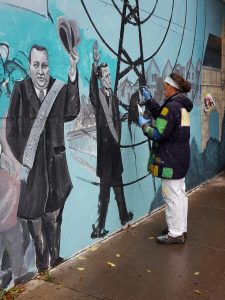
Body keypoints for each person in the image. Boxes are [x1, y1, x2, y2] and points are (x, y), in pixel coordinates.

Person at [6, 44, 80, 272]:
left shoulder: (58, 89)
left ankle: (55, 259)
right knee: (35, 223)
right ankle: (42, 265)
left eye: (44, 65)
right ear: (29, 67)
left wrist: (73, 73)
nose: (41, 71)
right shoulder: (20, 90)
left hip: (56, 168)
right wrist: (25, 156)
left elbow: (72, 111)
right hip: (33, 170)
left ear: (49, 67)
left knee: (54, 218)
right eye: (36, 65)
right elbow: (11, 129)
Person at [138, 73, 193, 244]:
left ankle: (175, 234)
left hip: (170, 160)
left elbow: (158, 133)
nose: (163, 89)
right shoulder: (181, 106)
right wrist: (149, 101)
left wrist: (144, 125)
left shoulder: (172, 108)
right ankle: (179, 227)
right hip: (180, 158)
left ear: (172, 88)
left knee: (171, 196)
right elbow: (164, 117)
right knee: (180, 194)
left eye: (165, 86)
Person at [89, 41, 133, 238]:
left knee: (119, 189)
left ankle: (123, 217)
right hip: (105, 156)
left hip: (115, 154)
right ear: (100, 79)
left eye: (109, 76)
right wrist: (94, 66)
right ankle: (99, 228)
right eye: (105, 76)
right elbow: (91, 89)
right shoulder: (97, 97)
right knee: (105, 195)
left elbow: (118, 115)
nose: (108, 79)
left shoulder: (113, 97)